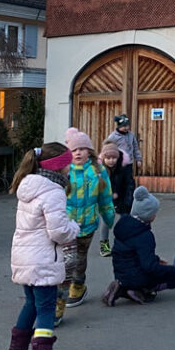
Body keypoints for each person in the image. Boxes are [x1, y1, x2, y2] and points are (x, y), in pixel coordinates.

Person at [5, 143, 80, 350]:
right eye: (68, 163)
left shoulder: (29, 185)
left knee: (31, 304)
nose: (71, 167)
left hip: (24, 258)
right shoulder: (53, 191)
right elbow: (58, 231)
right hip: (43, 259)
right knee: (47, 308)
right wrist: (74, 228)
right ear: (60, 166)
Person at [56, 128, 114, 322]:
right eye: (74, 150)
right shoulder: (64, 171)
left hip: (87, 225)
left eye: (83, 149)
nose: (78, 153)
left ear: (90, 151)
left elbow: (105, 197)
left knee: (79, 259)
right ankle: (58, 301)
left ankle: (79, 285)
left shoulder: (97, 171)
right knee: (65, 262)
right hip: (66, 226)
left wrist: (109, 216)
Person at [103, 186, 175, 305]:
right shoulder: (145, 235)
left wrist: (157, 259)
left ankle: (123, 289)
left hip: (121, 274)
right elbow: (149, 266)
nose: (155, 215)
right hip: (138, 277)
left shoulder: (124, 226)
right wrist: (173, 270)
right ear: (147, 215)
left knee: (137, 272)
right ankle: (143, 289)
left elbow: (132, 255)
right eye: (154, 213)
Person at [98, 141, 128, 257]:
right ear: (104, 158)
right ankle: (104, 246)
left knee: (122, 222)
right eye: (108, 158)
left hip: (119, 200)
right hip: (105, 201)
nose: (111, 160)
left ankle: (122, 245)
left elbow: (125, 184)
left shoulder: (121, 170)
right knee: (105, 223)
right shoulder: (100, 171)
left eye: (114, 158)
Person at [106, 113, 142, 209]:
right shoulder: (113, 137)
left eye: (127, 126)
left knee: (129, 182)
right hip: (118, 164)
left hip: (129, 163)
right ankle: (116, 202)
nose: (126, 128)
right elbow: (107, 148)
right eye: (123, 126)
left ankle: (129, 201)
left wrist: (138, 159)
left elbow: (135, 147)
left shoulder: (131, 135)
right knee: (117, 183)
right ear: (119, 126)